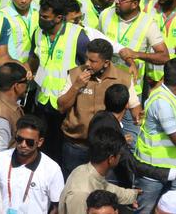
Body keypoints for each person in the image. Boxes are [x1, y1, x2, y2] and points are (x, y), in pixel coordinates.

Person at [58, 38, 141, 176]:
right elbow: (61, 107)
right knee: (74, 185)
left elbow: (135, 107)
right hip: (76, 147)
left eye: (93, 61)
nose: (87, 64)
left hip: (105, 151)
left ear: (106, 62)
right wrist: (76, 86)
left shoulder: (123, 78)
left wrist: (138, 119)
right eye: (87, 58)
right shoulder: (76, 74)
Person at [133, 58, 176, 214]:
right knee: (145, 211)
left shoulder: (175, 97)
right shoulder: (162, 102)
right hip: (152, 171)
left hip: (174, 168)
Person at [0, 115, 64, 214]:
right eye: (19, 139)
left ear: (40, 142)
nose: (23, 144)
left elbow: (56, 207)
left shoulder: (52, 169)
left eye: (29, 142)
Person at [59, 127, 139, 214]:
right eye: (120, 155)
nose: (120, 158)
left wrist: (133, 194)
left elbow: (107, 187)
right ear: (111, 159)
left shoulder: (85, 170)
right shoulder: (82, 194)